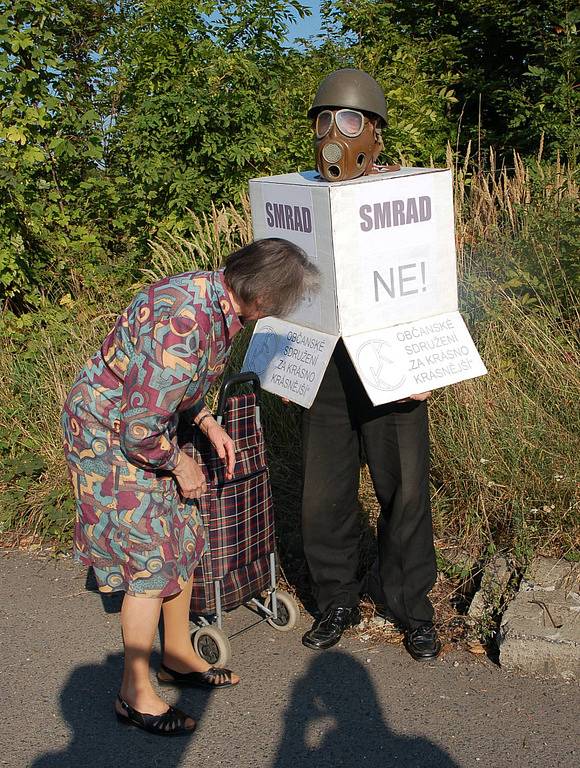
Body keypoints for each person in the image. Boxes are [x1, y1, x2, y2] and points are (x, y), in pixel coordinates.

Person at [61, 238, 319, 736]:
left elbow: (181, 387)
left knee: (182, 530)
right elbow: (138, 427)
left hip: (147, 424)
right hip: (108, 435)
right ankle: (133, 693)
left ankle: (176, 654)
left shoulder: (220, 299)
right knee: (150, 555)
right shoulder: (186, 319)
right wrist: (181, 464)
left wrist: (205, 421)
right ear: (262, 300)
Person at [300, 69, 441, 661]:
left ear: (376, 134)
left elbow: (430, 278)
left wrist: (429, 360)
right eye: (325, 119)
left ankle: (411, 606)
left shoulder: (409, 198)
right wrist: (290, 363)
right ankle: (336, 597)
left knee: (404, 488)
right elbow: (285, 287)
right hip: (327, 368)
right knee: (322, 492)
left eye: (350, 120)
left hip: (392, 362)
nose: (336, 132)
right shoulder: (299, 197)